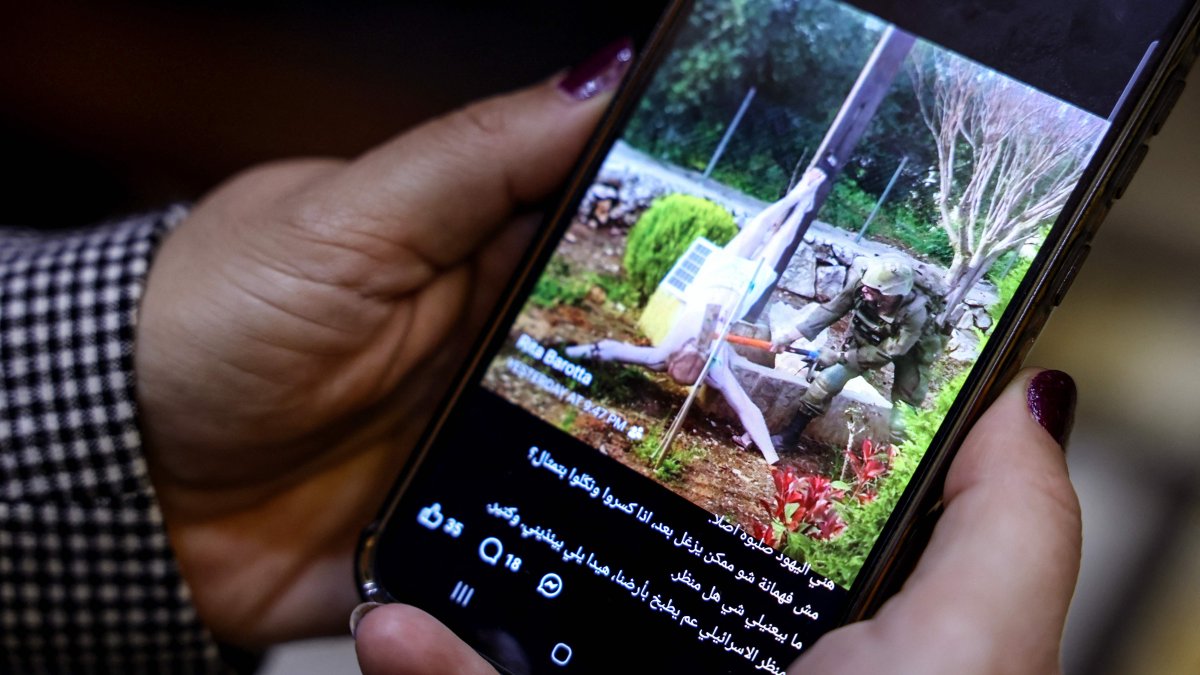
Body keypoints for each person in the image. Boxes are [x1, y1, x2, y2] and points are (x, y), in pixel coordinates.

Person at [0, 39, 1081, 675]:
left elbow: (756, 293)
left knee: (747, 329)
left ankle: (761, 317)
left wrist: (795, 223)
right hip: (703, 316)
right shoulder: (694, 316)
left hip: (722, 321)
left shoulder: (740, 322)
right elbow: (695, 304)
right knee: (688, 322)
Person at [565, 167, 828, 464]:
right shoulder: (715, 370)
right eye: (698, 352)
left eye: (694, 348)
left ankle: (797, 193)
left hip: (712, 281)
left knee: (758, 227)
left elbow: (614, 350)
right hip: (742, 291)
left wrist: (575, 352)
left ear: (675, 355)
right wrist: (772, 458)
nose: (697, 347)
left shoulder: (660, 355)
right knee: (781, 241)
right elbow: (748, 409)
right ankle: (803, 205)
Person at [770, 255, 942, 449]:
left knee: (904, 414)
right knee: (825, 383)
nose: (865, 289)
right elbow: (831, 310)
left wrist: (840, 357)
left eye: (873, 289)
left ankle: (897, 460)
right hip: (870, 339)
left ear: (891, 294)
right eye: (866, 284)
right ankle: (789, 437)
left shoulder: (916, 313)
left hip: (912, 352)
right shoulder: (863, 285)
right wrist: (790, 336)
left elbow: (889, 352)